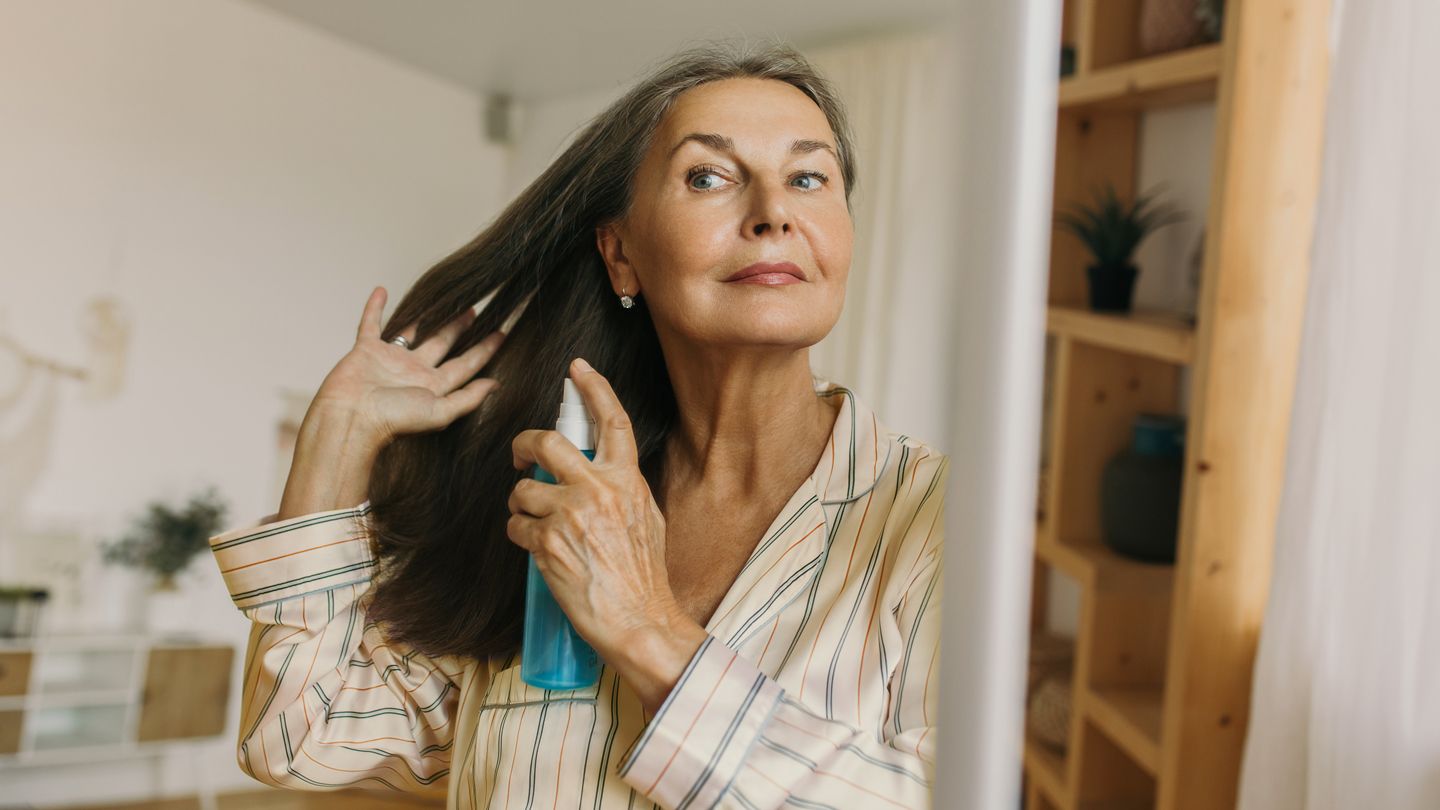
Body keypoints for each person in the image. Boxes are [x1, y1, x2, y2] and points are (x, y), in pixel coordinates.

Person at [209, 41, 948, 810]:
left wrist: (648, 630)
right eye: (708, 176)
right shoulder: (553, 509)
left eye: (807, 178)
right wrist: (339, 435)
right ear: (621, 253)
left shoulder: (939, 520)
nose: (773, 214)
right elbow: (297, 737)